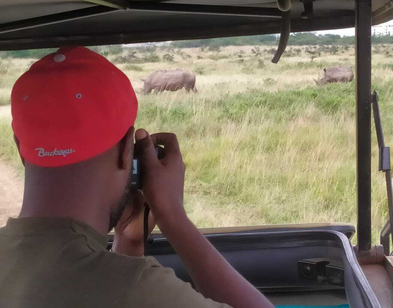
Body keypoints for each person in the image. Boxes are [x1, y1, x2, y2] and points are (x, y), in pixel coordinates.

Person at [0, 46, 274, 308]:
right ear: (127, 151)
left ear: (20, 148)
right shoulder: (139, 289)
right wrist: (173, 216)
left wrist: (130, 241)